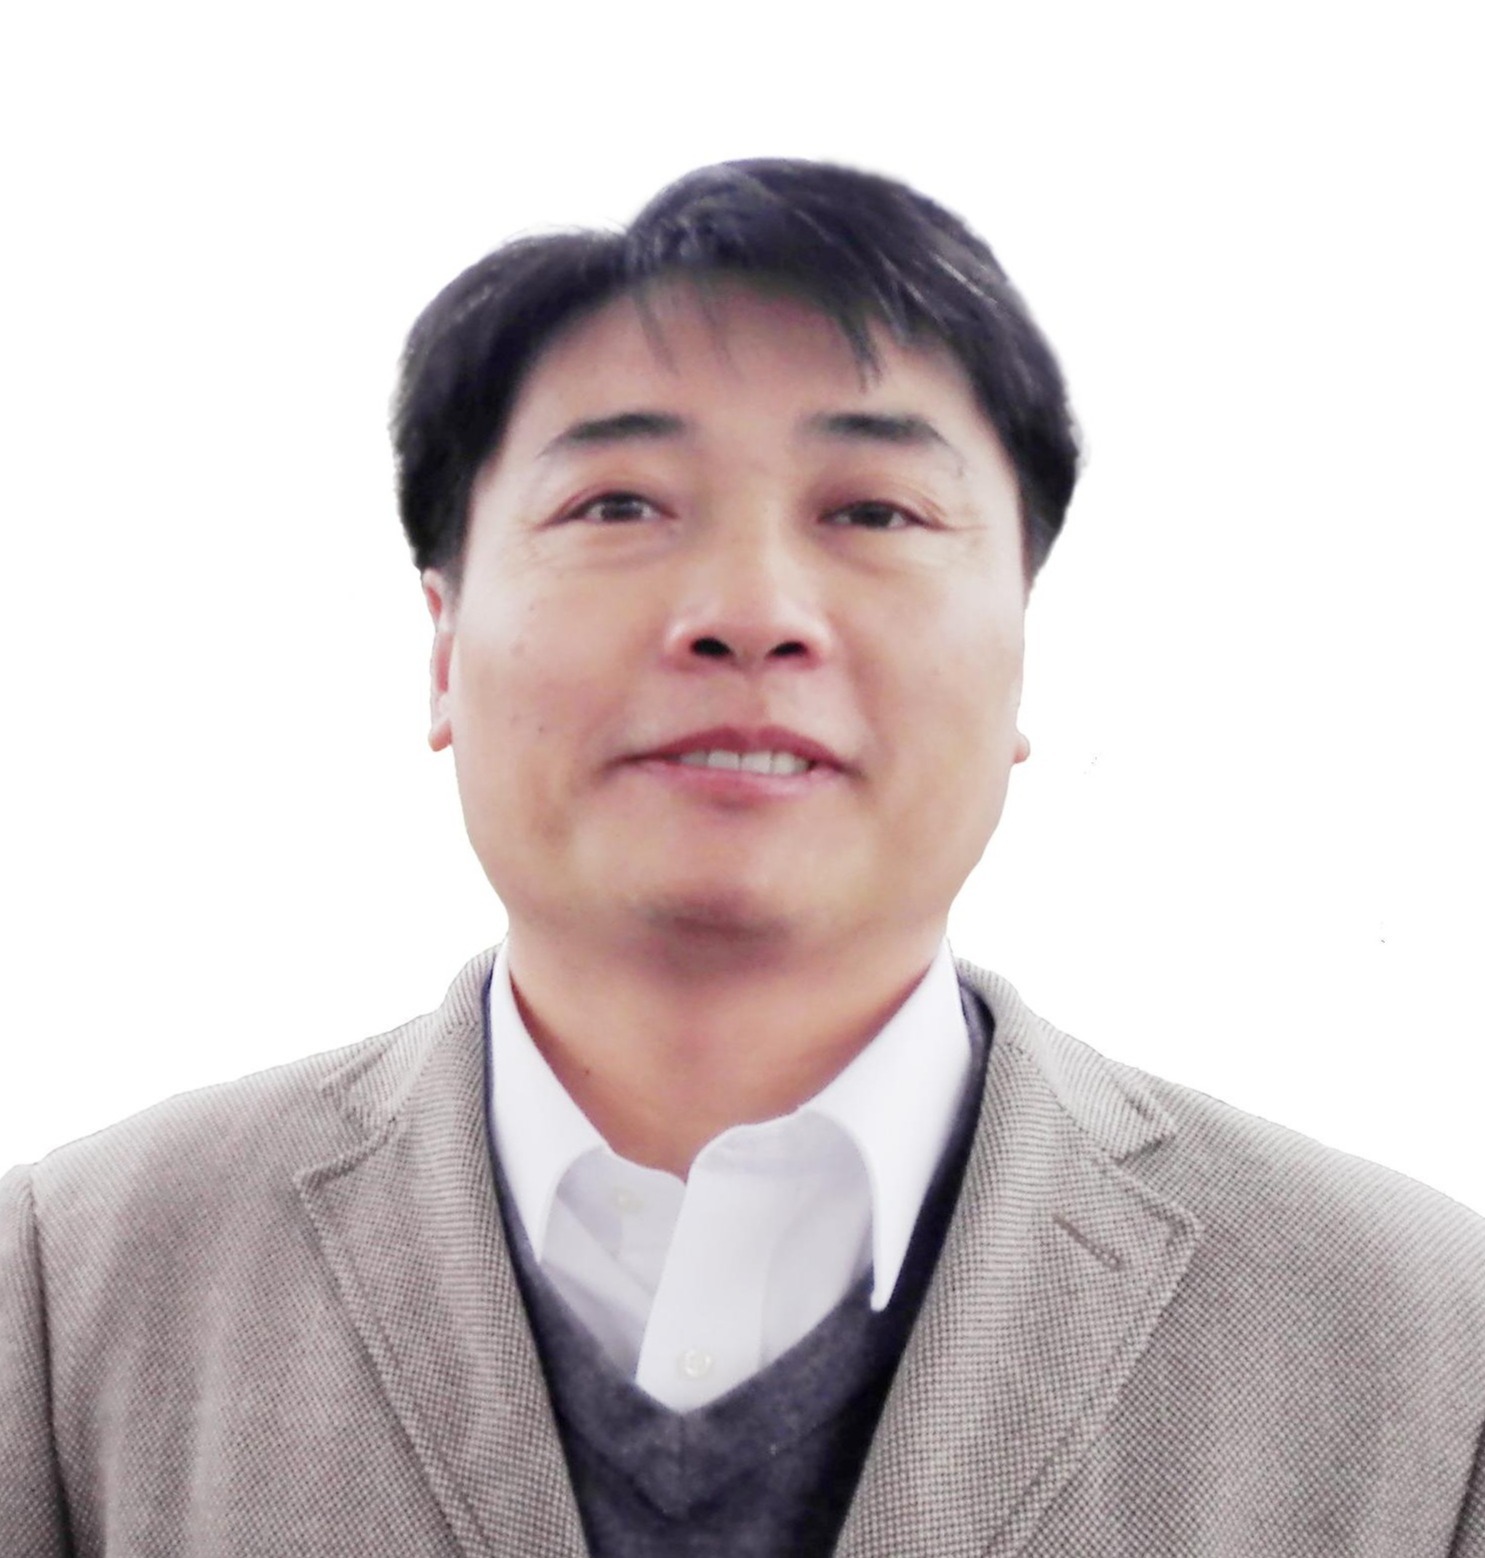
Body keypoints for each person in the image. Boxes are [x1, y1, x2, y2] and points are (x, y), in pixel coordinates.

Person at [3, 159, 1481, 1558]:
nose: (750, 610)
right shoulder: (71, 1291)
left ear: (1024, 648)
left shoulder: (1423, 1349)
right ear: (442, 645)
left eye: (873, 512)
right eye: (617, 504)